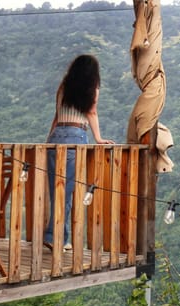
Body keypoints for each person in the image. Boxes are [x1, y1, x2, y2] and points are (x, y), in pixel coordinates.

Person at [44, 54, 114, 251]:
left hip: (56, 137)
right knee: (67, 190)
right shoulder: (92, 89)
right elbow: (91, 112)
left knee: (55, 189)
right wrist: (99, 138)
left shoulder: (63, 87)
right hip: (76, 136)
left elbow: (56, 116)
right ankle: (54, 237)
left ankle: (60, 236)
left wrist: (49, 140)